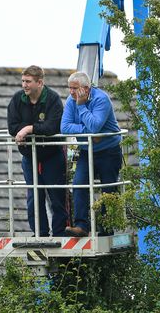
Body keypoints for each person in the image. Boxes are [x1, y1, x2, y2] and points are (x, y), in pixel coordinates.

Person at [7, 65, 69, 237]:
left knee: (56, 195)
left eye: (28, 81)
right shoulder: (18, 99)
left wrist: (29, 129)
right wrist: (31, 129)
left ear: (39, 82)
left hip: (52, 155)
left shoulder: (53, 99)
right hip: (29, 156)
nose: (24, 85)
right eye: (23, 81)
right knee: (34, 196)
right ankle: (39, 233)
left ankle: (59, 232)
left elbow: (52, 126)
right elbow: (12, 127)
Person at [60, 71, 122, 237]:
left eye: (75, 88)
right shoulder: (71, 101)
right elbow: (64, 127)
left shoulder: (101, 99)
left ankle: (106, 227)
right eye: (70, 88)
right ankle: (81, 226)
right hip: (87, 150)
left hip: (109, 151)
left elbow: (95, 126)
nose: (71, 92)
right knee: (79, 184)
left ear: (86, 89)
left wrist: (81, 106)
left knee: (108, 188)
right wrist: (86, 133)